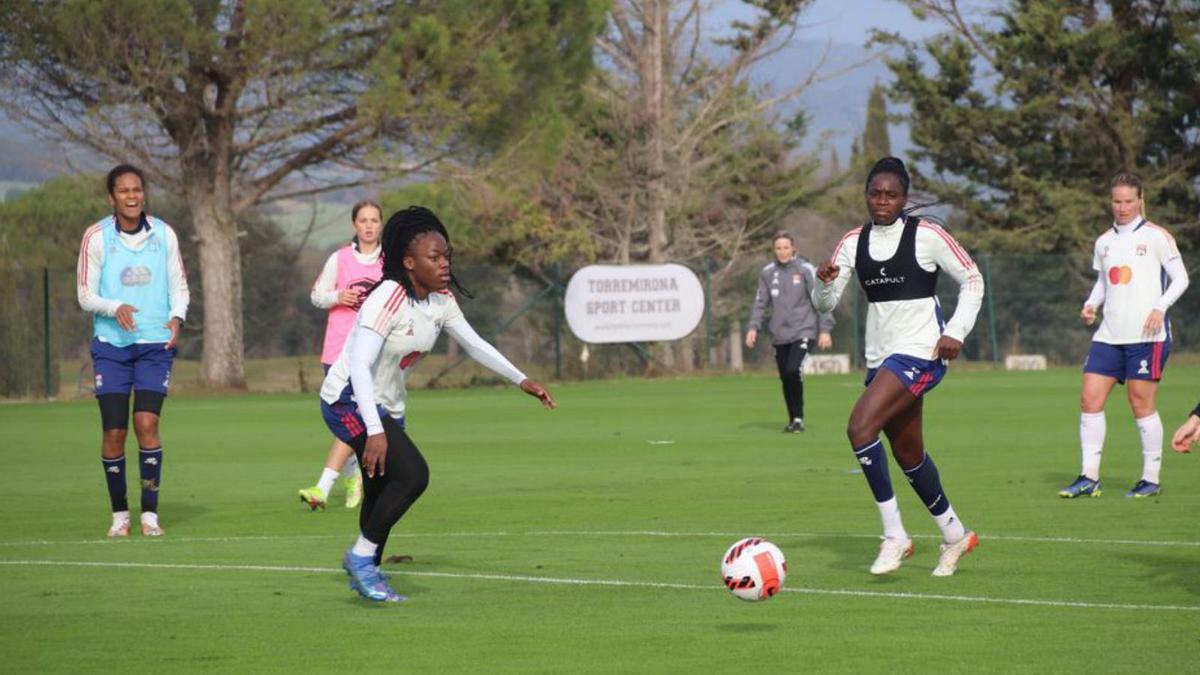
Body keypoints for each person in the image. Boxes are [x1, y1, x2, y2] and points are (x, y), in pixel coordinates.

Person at [319, 206, 555, 602]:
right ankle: (361, 558)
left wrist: (522, 379)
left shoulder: (441, 301)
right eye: (434, 257)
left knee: (380, 492)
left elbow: (475, 343)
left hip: (387, 406)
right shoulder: (388, 297)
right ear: (409, 262)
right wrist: (374, 431)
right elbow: (358, 363)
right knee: (413, 476)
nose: (444, 264)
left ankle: (367, 573)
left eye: (447, 256)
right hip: (347, 400)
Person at [813, 157, 985, 577]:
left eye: (891, 194)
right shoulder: (853, 242)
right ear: (867, 196)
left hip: (921, 352)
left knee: (859, 428)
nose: (882, 201)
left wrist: (957, 331)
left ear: (905, 198)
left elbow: (973, 279)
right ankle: (955, 533)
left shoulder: (928, 234)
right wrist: (823, 282)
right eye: (875, 193)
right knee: (908, 453)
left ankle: (895, 536)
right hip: (881, 359)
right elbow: (826, 304)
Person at [1060, 172, 1189, 498]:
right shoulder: (1104, 241)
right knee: (1089, 399)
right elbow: (1105, 281)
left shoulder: (1158, 236)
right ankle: (1088, 477)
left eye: (1128, 201)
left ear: (1140, 200)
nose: (1122, 207)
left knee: (1140, 403)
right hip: (1109, 335)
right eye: (1117, 201)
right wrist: (1091, 304)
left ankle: (1151, 478)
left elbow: (1181, 279)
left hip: (1148, 337)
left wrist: (1160, 308)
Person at [77, 164, 189, 538]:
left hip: (155, 345)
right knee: (113, 431)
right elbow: (85, 295)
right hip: (111, 347)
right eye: (124, 191)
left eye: (137, 190)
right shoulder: (96, 237)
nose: (131, 196)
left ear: (144, 194)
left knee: (147, 424)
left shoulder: (165, 234)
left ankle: (150, 515)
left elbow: (180, 286)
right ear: (112, 197)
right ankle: (120, 515)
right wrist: (115, 307)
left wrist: (177, 317)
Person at [297, 200, 384, 511]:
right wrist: (338, 297)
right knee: (345, 420)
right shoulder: (340, 259)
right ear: (354, 225)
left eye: (374, 220)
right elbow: (316, 295)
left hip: (373, 353)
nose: (369, 226)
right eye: (363, 220)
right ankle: (354, 475)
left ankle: (334, 482)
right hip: (337, 350)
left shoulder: (389, 263)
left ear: (380, 225)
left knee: (357, 417)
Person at [746, 231, 835, 432]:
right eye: (778, 248)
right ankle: (794, 419)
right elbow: (760, 302)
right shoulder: (768, 272)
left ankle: (798, 418)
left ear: (793, 248)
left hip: (804, 329)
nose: (782, 252)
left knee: (793, 369)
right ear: (773, 250)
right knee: (786, 375)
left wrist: (825, 329)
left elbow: (820, 298)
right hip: (780, 334)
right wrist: (753, 327)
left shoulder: (805, 269)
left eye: (786, 247)